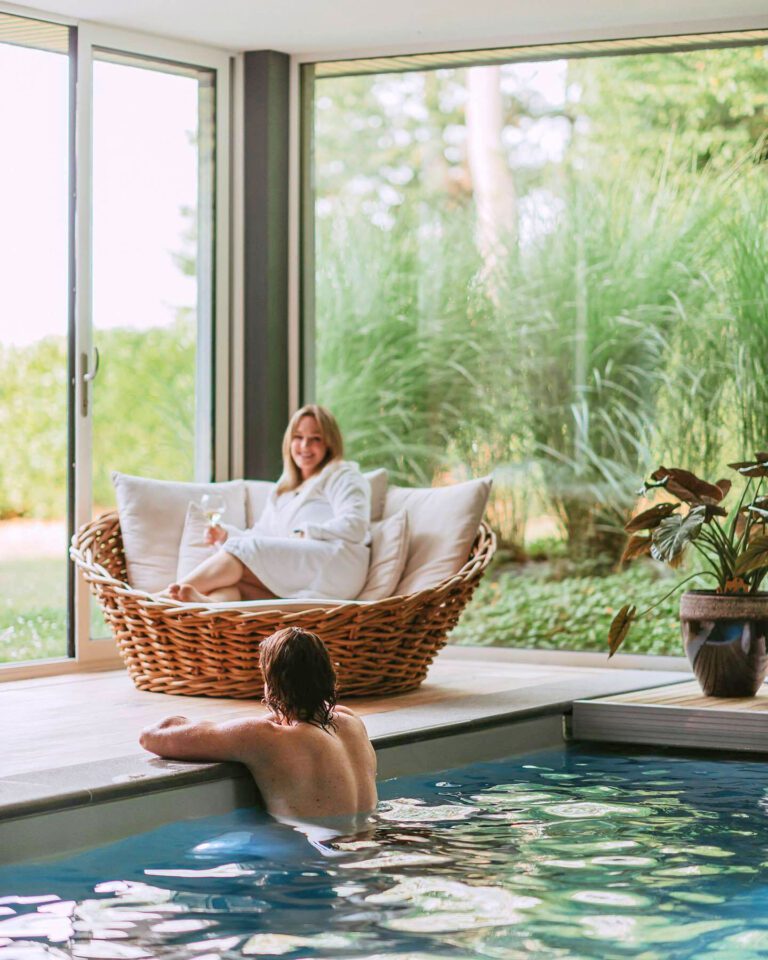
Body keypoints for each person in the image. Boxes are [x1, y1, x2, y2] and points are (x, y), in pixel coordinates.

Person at [139, 627, 378, 824]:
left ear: (270, 685)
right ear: (330, 676)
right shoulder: (352, 722)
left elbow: (152, 736)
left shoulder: (264, 737)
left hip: (314, 853)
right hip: (370, 840)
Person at [164, 405, 371, 603]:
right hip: (297, 568)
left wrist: (307, 532)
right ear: (289, 442)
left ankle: (161, 599)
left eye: (315, 439)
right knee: (230, 585)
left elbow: (357, 526)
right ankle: (207, 605)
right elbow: (264, 535)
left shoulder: (342, 475)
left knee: (245, 551)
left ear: (329, 443)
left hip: (335, 564)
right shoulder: (284, 489)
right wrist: (226, 535)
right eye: (298, 437)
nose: (305, 446)